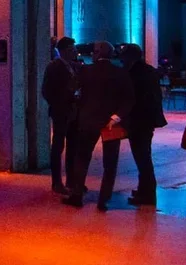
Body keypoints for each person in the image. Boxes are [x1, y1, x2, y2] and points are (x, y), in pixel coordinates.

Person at [67, 41, 133, 210]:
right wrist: (116, 116)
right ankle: (104, 200)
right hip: (111, 123)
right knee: (110, 163)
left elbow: (73, 90)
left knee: (82, 158)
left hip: (88, 120)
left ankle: (76, 195)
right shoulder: (120, 73)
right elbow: (129, 99)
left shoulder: (85, 71)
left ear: (96, 53)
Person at [118, 44, 167, 205]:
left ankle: (147, 193)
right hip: (147, 120)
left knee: (142, 157)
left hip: (139, 121)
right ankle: (145, 189)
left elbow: (133, 98)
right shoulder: (149, 71)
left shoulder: (134, 74)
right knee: (144, 155)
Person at [42, 38, 80, 195]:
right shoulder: (54, 67)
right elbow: (46, 90)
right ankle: (56, 182)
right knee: (58, 146)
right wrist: (60, 102)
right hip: (61, 111)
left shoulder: (73, 66)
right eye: (71, 49)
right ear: (63, 50)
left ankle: (72, 180)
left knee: (73, 147)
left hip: (73, 112)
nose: (74, 52)